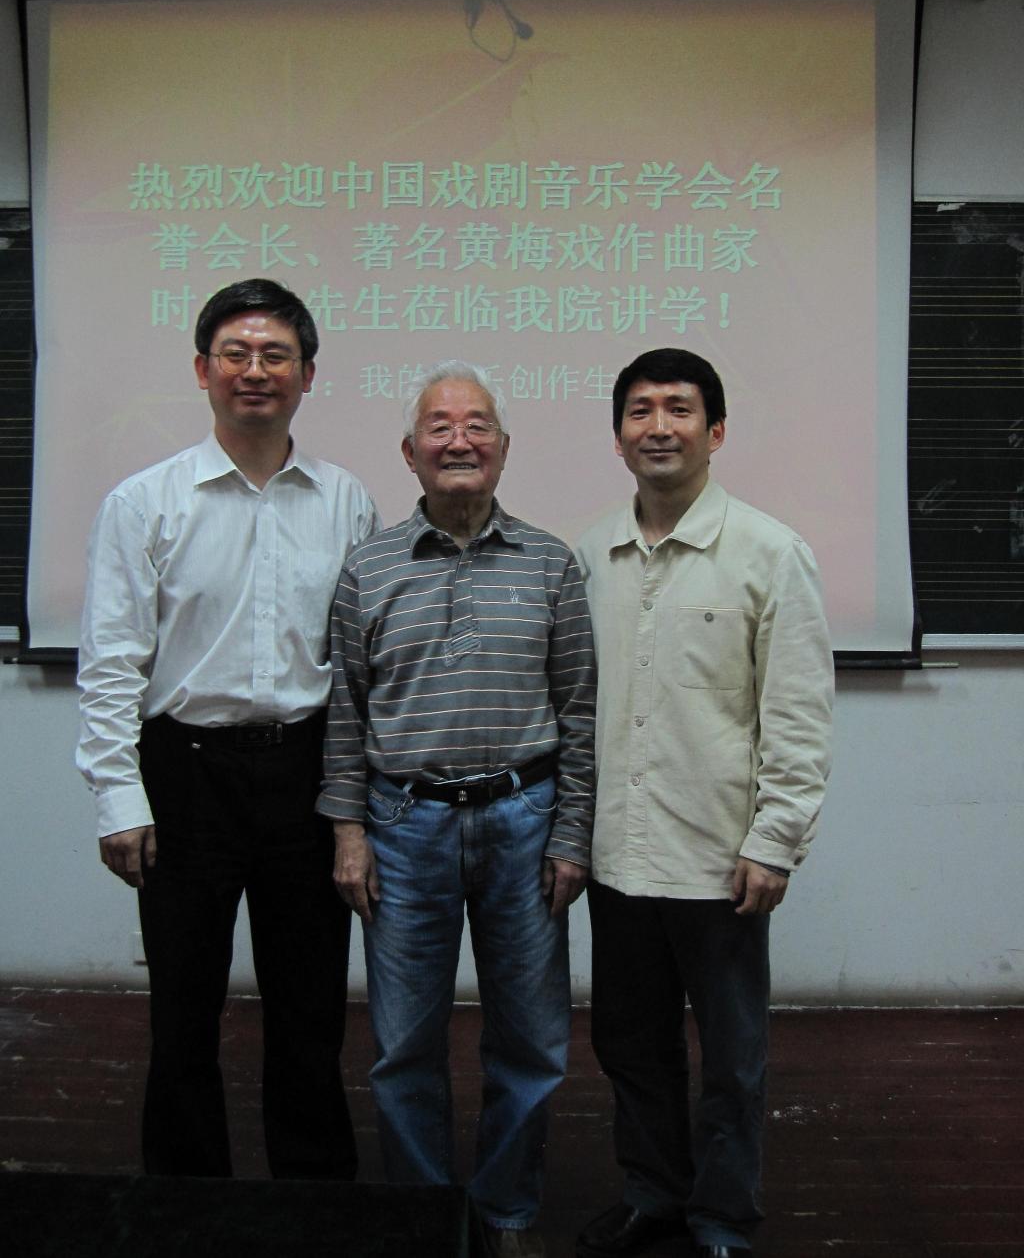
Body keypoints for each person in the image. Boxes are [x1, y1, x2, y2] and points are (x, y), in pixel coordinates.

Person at [77, 278, 379, 1179]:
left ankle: (314, 1203)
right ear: (202, 369)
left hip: (305, 774)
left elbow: (358, 668)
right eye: (236, 354)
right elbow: (111, 662)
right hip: (186, 773)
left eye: (275, 355)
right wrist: (119, 797)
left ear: (308, 375)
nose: (255, 370)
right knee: (183, 1011)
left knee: (310, 1011)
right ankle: (184, 1204)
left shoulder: (345, 500)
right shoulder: (144, 501)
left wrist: (353, 804)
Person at [317, 360, 595, 1258]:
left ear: (505, 448)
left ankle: (507, 1212)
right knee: (404, 1044)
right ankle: (427, 1217)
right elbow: (346, 711)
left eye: (477, 425)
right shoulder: (367, 567)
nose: (459, 440)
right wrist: (349, 832)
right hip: (404, 826)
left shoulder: (552, 562)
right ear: (409, 452)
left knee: (532, 1039)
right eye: (439, 426)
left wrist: (572, 834)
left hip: (525, 819)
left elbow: (581, 710)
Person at [574, 349, 834, 1258]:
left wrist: (776, 839)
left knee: (731, 1055)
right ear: (618, 437)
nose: (659, 426)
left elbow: (797, 716)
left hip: (721, 858)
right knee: (629, 1045)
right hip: (617, 854)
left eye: (679, 408)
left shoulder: (771, 553)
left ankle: (722, 1215)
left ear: (715, 430)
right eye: (639, 410)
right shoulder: (588, 556)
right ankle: (654, 1192)